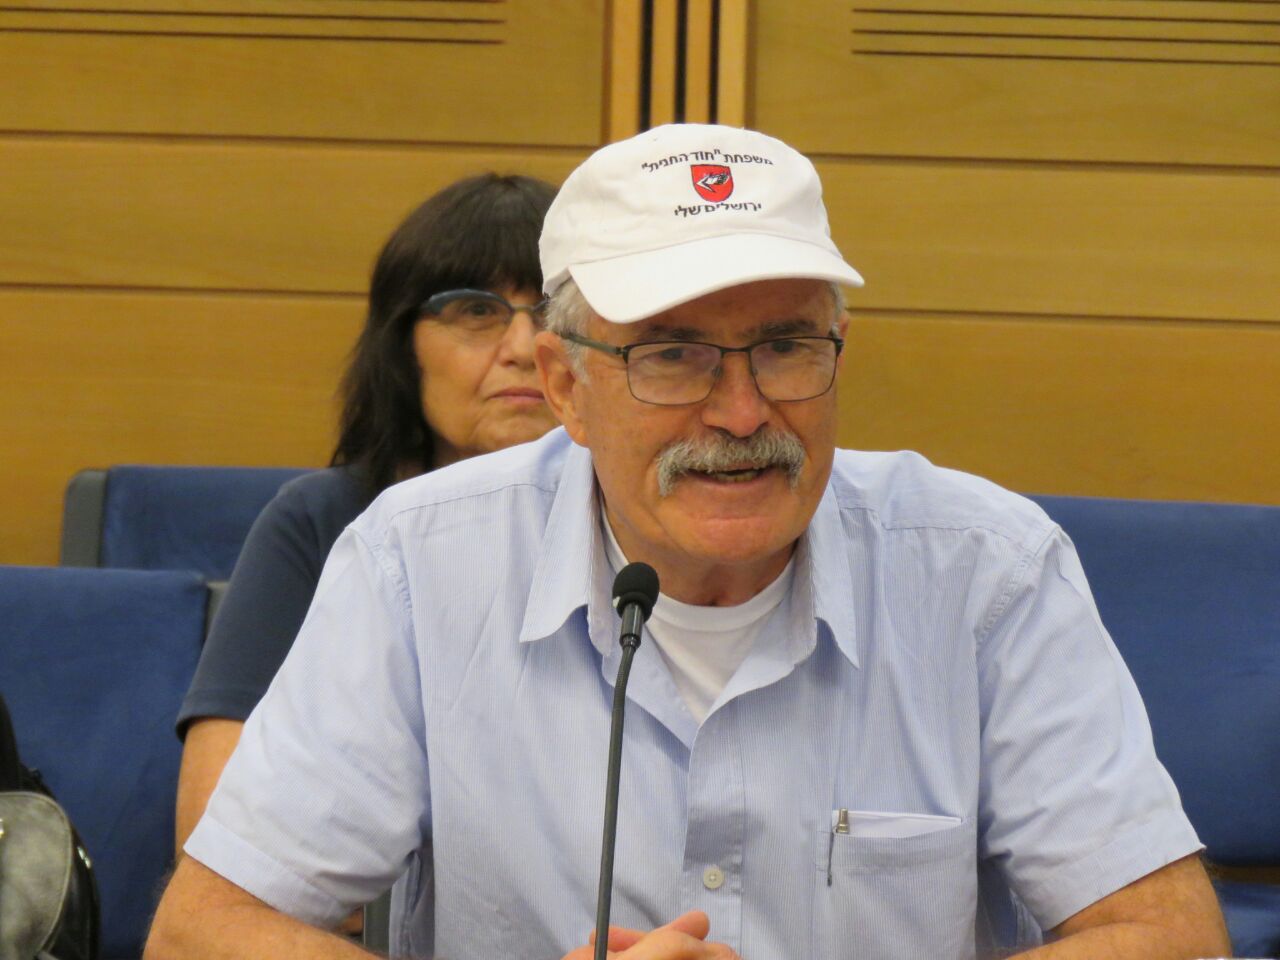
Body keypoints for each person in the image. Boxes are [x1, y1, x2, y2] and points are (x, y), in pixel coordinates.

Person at [146, 124, 1230, 960]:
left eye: (785, 346)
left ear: (839, 349)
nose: (743, 412)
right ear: (564, 384)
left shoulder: (984, 570)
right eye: (671, 355)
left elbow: (1167, 937)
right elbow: (209, 933)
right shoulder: (418, 565)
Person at [173, 172, 560, 853]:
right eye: (477, 312)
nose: (525, 349)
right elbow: (218, 835)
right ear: (402, 347)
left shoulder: (659, 526)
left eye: (554, 312)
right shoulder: (322, 520)